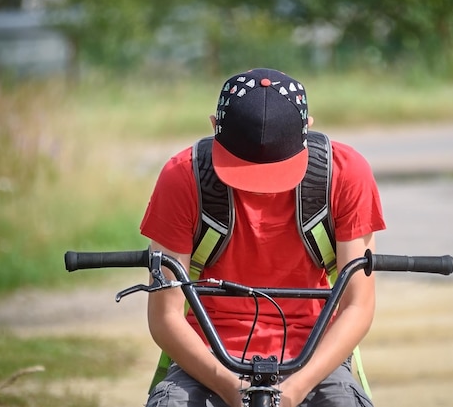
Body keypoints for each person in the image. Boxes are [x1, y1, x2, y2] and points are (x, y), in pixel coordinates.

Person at [140, 68, 386, 407]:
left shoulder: (344, 173)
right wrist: (228, 384)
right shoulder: (183, 176)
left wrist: (298, 387)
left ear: (308, 129)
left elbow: (357, 304)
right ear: (213, 128)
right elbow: (165, 316)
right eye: (243, 165)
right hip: (209, 355)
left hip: (314, 357)